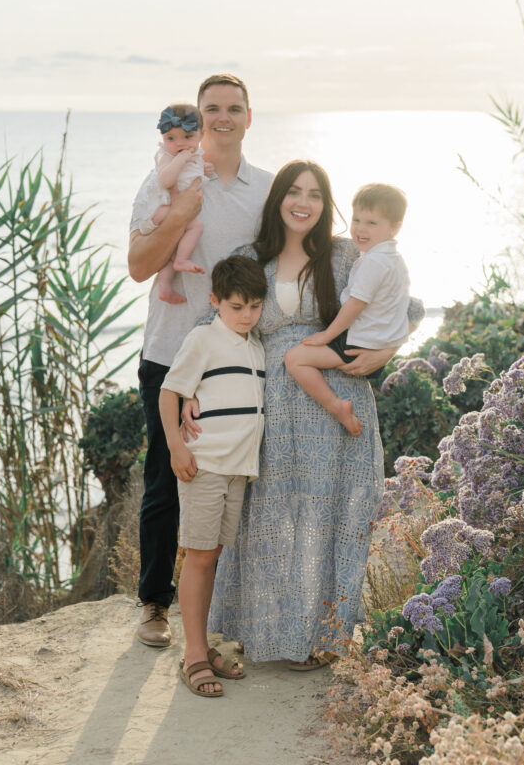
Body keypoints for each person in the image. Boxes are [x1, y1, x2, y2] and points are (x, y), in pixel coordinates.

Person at [197, 161, 421, 667]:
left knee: (328, 518)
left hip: (337, 397)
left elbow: (407, 306)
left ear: (326, 205)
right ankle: (265, 630)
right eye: (294, 192)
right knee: (269, 518)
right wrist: (192, 390)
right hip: (269, 404)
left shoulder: (345, 254)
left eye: (315, 194)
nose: (304, 201)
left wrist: (384, 354)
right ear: (278, 198)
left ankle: (320, 637)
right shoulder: (252, 259)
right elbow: (213, 323)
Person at [128, 74, 273, 648]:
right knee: (168, 477)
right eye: (210, 108)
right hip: (169, 354)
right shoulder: (170, 178)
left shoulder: (265, 192)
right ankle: (153, 603)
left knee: (238, 479)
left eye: (233, 108)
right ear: (195, 116)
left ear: (249, 116)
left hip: (234, 361)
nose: (221, 117)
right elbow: (140, 264)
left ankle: (225, 610)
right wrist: (184, 207)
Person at [159, 255, 267, 696]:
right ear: (215, 301)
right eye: (237, 306)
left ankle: (202, 646)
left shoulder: (256, 347)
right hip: (204, 464)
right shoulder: (204, 337)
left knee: (213, 557)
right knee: (200, 557)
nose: (246, 316)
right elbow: (170, 392)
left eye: (255, 306)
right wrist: (176, 445)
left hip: (238, 469)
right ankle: (194, 656)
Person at [284, 183, 410, 435]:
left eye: (372, 223)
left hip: (359, 343)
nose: (361, 229)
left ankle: (337, 407)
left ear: (395, 227)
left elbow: (355, 305)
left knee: (295, 359)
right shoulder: (393, 259)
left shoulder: (373, 262)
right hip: (377, 341)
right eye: (357, 220)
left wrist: (326, 336)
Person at [135, 103, 213, 303]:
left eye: (187, 137)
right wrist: (182, 159)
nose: (179, 144)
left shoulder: (193, 155)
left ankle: (165, 287)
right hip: (158, 210)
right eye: (171, 138)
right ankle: (181, 260)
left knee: (172, 246)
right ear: (162, 138)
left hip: (168, 209)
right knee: (196, 225)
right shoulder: (166, 156)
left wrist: (204, 170)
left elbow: (190, 175)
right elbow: (166, 180)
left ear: (201, 135)